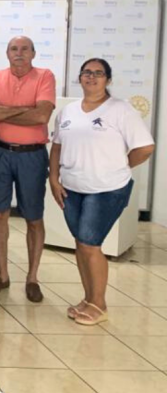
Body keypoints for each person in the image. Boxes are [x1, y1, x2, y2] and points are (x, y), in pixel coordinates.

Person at [49, 58, 154, 325]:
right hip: (72, 188)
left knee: (90, 243)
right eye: (87, 72)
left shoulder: (121, 110)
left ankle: (99, 304)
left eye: (98, 73)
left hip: (107, 189)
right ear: (80, 77)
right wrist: (54, 178)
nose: (91, 77)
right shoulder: (69, 111)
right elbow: (57, 146)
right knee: (81, 244)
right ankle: (88, 299)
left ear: (108, 79)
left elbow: (145, 148)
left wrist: (121, 166)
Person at [0, 36, 56, 303]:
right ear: (7, 53)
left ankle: (32, 279)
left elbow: (41, 115)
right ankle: (2, 275)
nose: (19, 53)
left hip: (31, 155)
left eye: (25, 49)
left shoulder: (45, 76)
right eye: (14, 49)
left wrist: (2, 110)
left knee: (34, 217)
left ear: (33, 53)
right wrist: (24, 110)